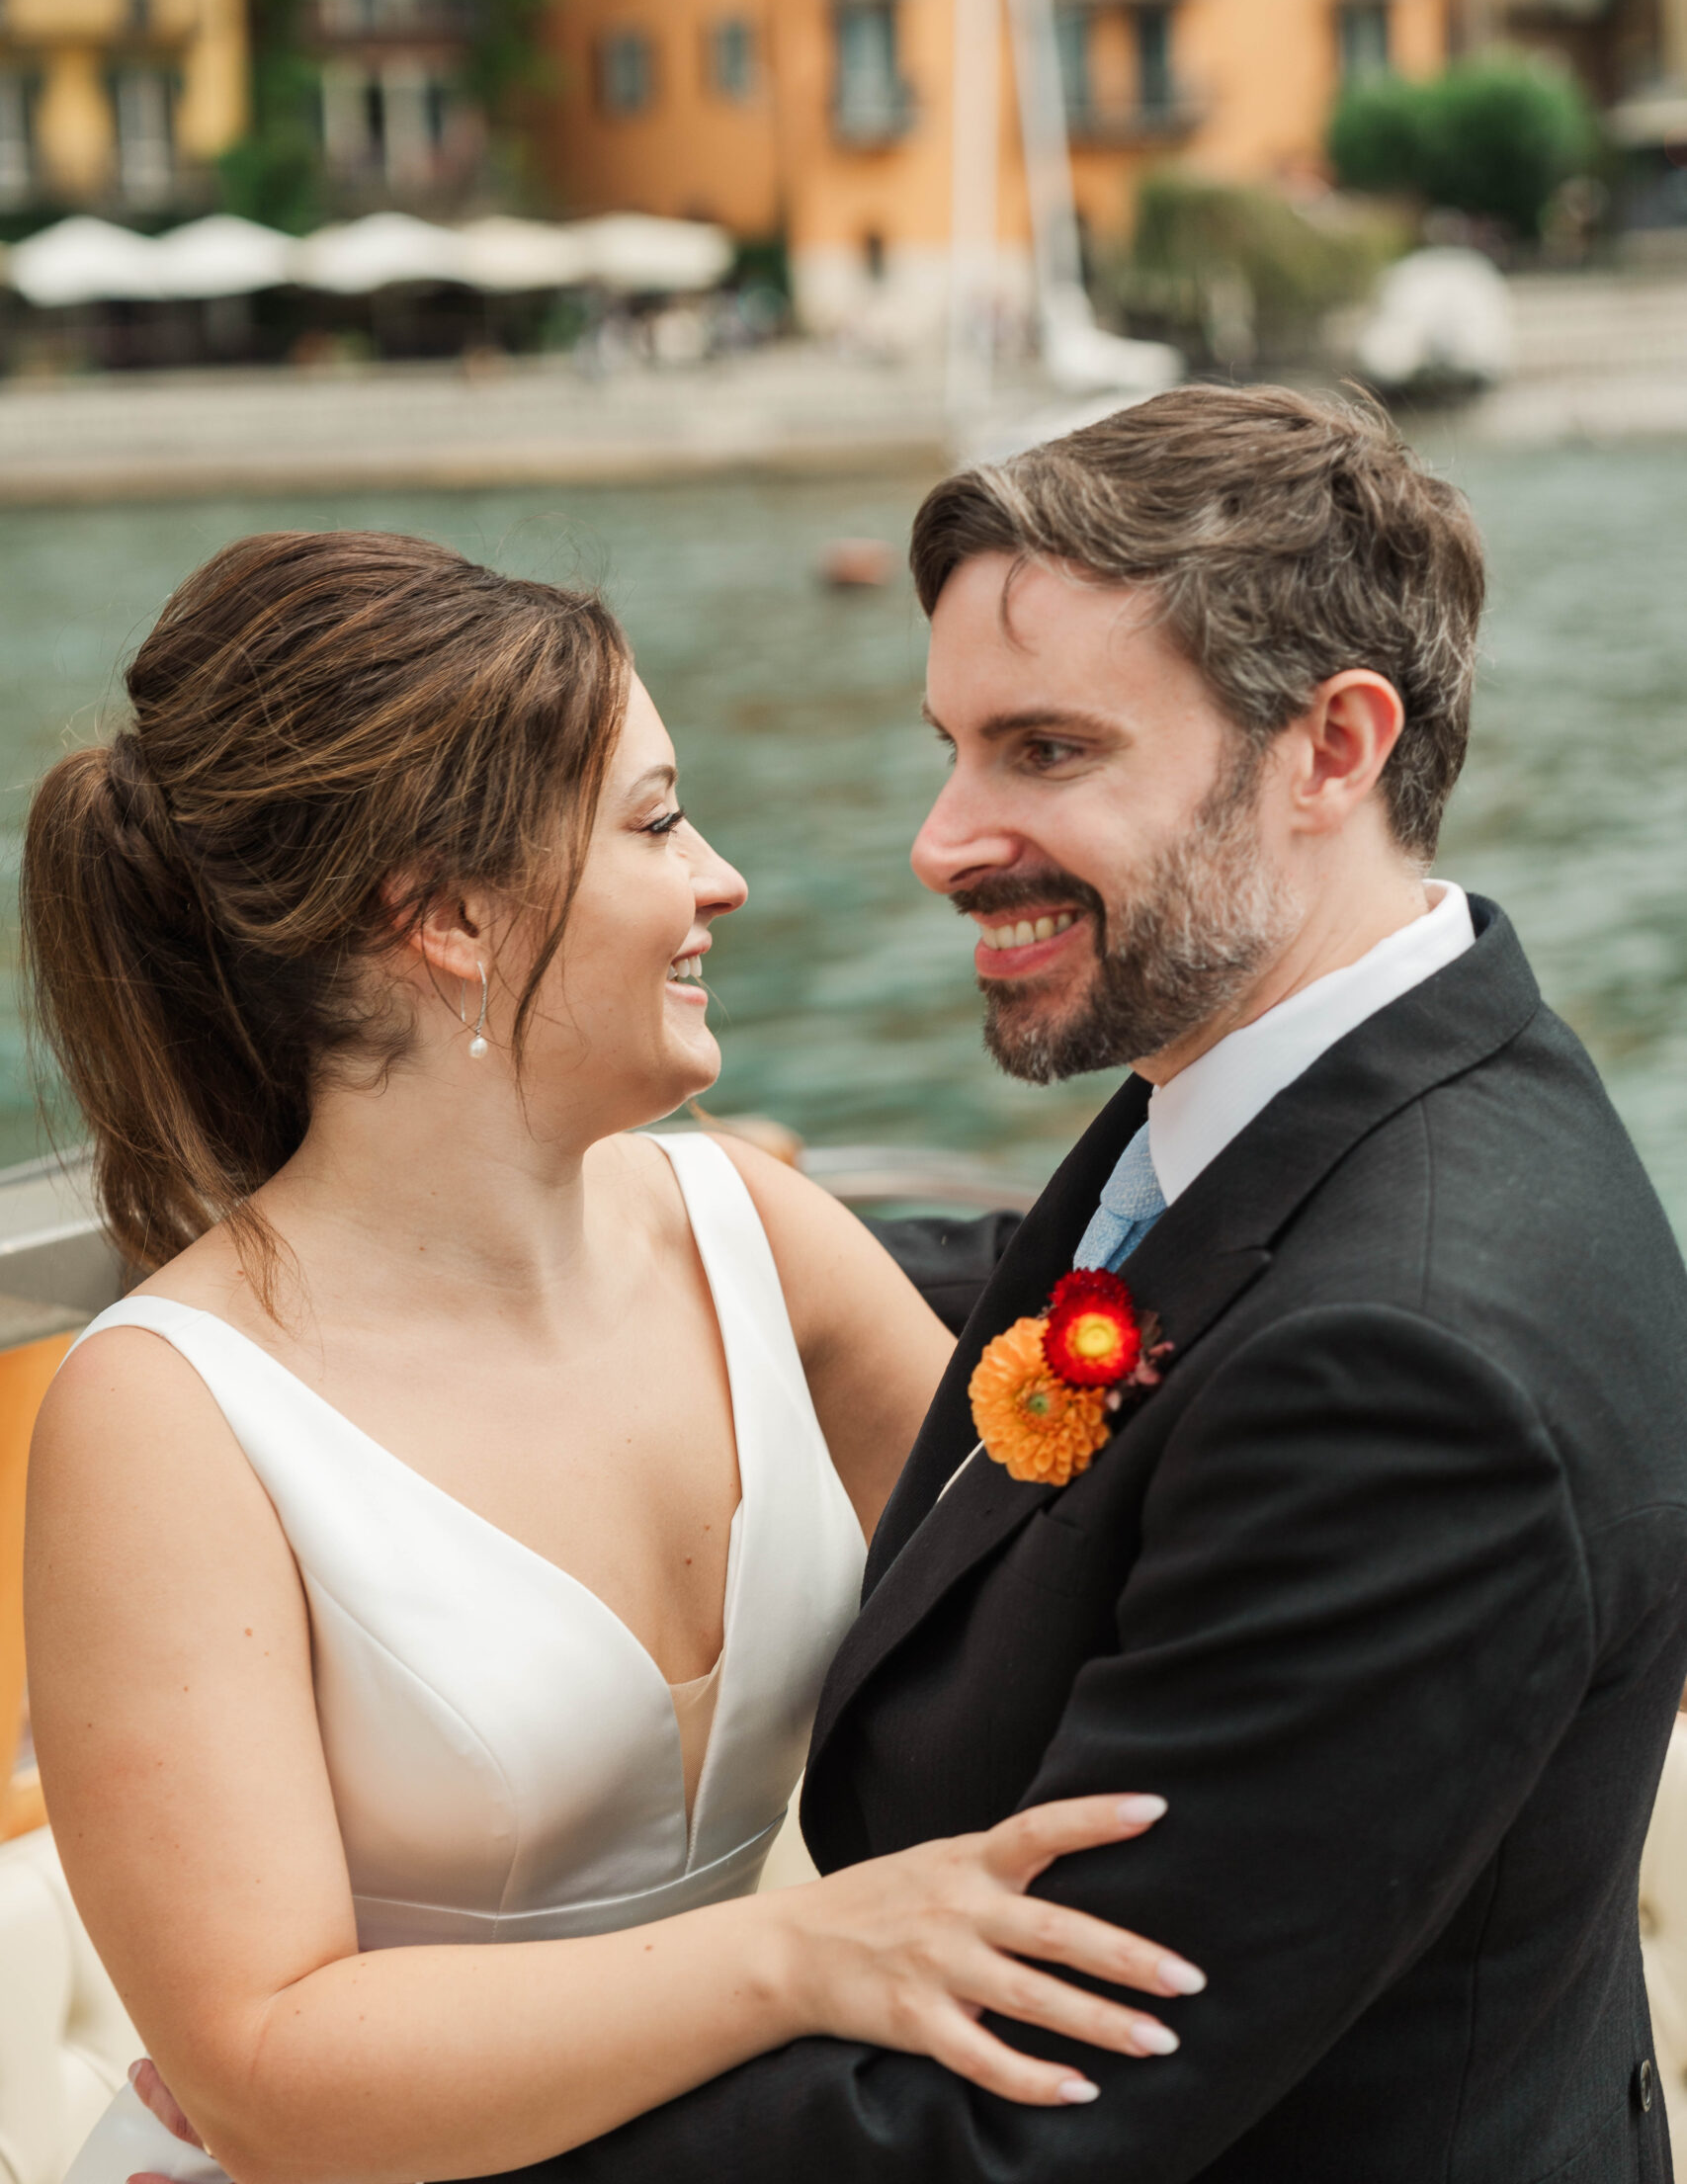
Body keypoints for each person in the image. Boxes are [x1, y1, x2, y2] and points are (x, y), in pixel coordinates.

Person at [429, 383, 1686, 2183]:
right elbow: (1111, 1296)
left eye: (1046, 753)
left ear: (1329, 749)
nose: (943, 841)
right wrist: (637, 1220)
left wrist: (387, 2137)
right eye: (952, 748)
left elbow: (1022, 2121)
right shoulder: (1349, 1085)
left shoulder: (1409, 1370)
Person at [23, 531, 1200, 2184]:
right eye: (654, 822)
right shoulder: (164, 1414)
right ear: (443, 917)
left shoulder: (754, 1233)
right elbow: (265, 2066)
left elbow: (1060, 1581)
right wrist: (800, 1952)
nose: (721, 878)